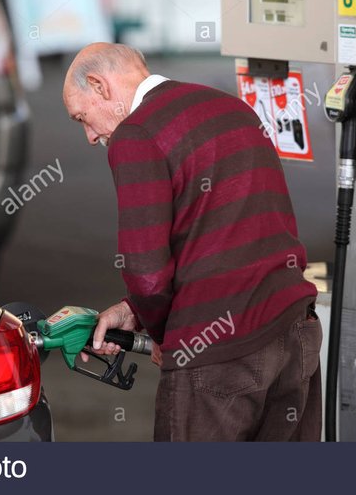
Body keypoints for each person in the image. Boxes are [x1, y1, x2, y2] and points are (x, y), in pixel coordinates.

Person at [62, 43, 322, 441]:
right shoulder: (230, 107)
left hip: (220, 353)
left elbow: (145, 272)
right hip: (294, 334)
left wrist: (168, 336)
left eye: (83, 117)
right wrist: (133, 311)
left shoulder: (136, 133)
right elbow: (227, 230)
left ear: (100, 86)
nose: (89, 136)